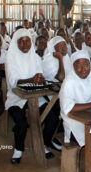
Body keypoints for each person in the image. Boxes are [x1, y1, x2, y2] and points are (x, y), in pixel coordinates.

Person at [5, 29, 59, 164]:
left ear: (31, 42)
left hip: (36, 96)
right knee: (21, 123)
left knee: (53, 118)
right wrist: (31, 79)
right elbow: (14, 82)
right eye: (21, 42)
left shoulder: (34, 57)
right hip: (16, 98)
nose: (25, 45)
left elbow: (39, 73)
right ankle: (18, 149)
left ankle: (44, 143)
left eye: (27, 41)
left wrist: (39, 78)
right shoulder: (11, 58)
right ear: (16, 43)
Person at [60, 50, 91, 146]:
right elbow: (69, 108)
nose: (83, 69)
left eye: (86, 65)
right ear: (73, 67)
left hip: (87, 116)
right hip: (73, 122)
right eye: (78, 66)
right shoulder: (69, 82)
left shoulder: (90, 79)